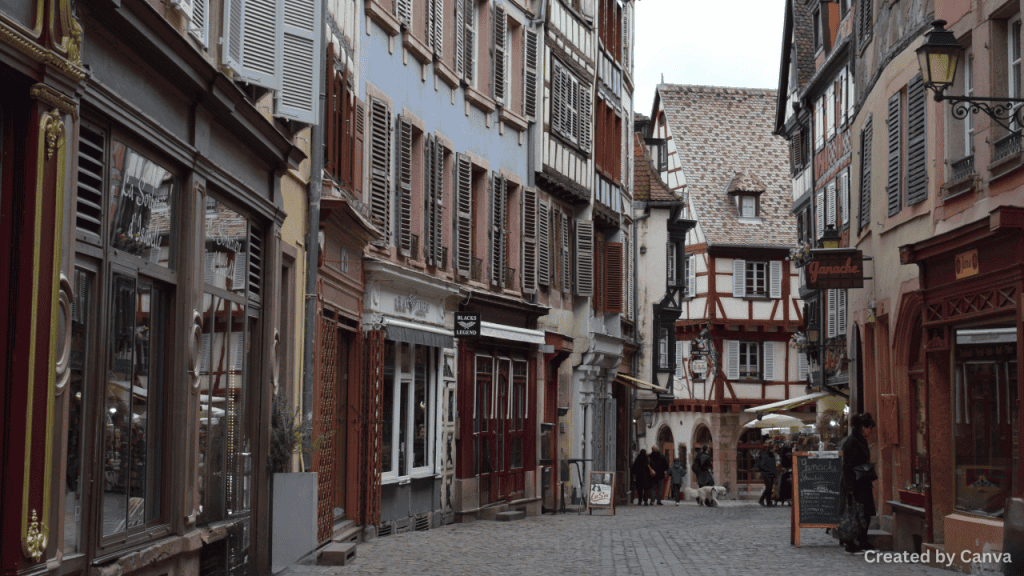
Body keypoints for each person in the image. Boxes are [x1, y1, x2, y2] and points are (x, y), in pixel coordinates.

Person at [840, 413, 878, 554]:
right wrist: (849, 489)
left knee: (865, 513)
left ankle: (862, 541)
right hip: (855, 485)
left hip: (862, 483)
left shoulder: (860, 440)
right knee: (855, 513)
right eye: (869, 428)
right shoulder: (852, 442)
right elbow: (847, 466)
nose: (871, 432)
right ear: (862, 427)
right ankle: (850, 543)